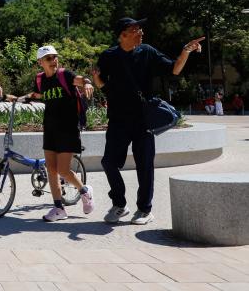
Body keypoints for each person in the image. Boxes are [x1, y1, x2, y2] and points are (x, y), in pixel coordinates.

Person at [93, 17, 204, 225]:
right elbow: (105, 86)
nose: (141, 32)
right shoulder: (108, 56)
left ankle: (144, 210)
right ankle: (119, 205)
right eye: (136, 29)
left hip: (143, 119)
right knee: (108, 162)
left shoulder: (147, 52)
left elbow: (174, 69)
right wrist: (96, 81)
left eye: (141, 28)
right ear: (123, 34)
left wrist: (186, 51)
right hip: (118, 119)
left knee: (144, 165)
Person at [11, 45, 95, 222]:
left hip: (68, 128)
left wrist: (87, 82)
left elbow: (81, 79)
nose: (53, 60)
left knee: (64, 170)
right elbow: (39, 94)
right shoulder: (41, 79)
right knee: (51, 169)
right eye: (48, 58)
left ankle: (85, 192)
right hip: (50, 128)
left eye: (55, 57)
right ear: (40, 62)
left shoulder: (65, 75)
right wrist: (20, 98)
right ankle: (58, 208)